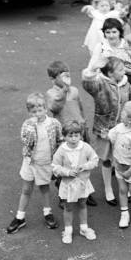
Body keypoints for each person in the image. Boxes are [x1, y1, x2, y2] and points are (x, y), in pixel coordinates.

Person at [82, 56, 131, 206]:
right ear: (111, 73)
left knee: (123, 158)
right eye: (120, 69)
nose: (124, 71)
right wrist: (92, 70)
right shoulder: (100, 83)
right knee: (106, 160)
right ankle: (108, 189)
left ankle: (125, 188)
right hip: (105, 129)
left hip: (123, 129)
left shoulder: (126, 84)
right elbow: (88, 85)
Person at [6, 93, 61, 234]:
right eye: (34, 111)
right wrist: (32, 129)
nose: (38, 113)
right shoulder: (27, 124)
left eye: (40, 110)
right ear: (29, 112)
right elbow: (25, 142)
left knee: (44, 188)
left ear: (45, 108)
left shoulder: (54, 123)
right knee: (26, 189)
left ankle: (47, 213)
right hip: (30, 162)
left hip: (45, 162)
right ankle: (20, 217)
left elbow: (59, 141)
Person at [46, 60, 98, 207]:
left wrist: (84, 123)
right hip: (65, 134)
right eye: (61, 76)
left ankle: (85, 192)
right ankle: (63, 194)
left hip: (79, 130)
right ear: (52, 79)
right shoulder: (51, 93)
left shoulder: (74, 91)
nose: (66, 79)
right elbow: (54, 107)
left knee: (82, 160)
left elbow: (80, 108)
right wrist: (63, 90)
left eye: (67, 75)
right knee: (66, 163)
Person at [51, 121, 99, 244]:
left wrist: (85, 166)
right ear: (64, 136)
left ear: (80, 136)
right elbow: (55, 166)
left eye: (76, 135)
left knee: (83, 204)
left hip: (83, 183)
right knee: (68, 207)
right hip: (68, 185)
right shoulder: (62, 150)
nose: (73, 139)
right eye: (70, 136)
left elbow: (95, 159)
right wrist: (67, 172)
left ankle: (84, 228)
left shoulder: (85, 147)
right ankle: (68, 230)